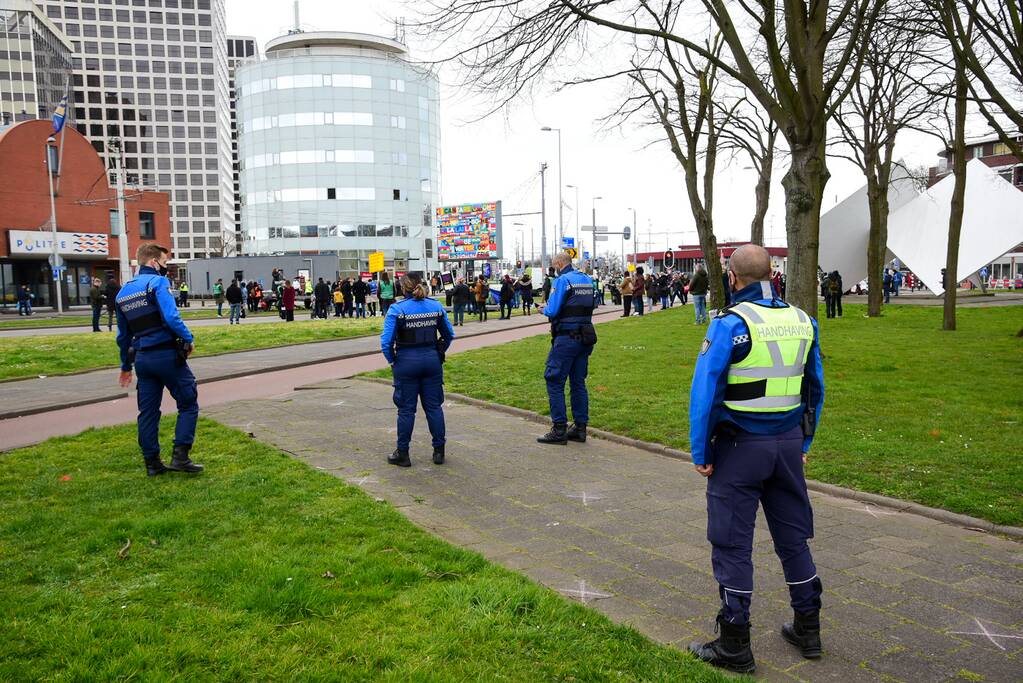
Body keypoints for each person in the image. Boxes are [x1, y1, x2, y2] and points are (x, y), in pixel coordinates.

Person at [687, 244, 824, 674]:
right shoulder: (803, 320)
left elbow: (705, 394)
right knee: (792, 539)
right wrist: (803, 443)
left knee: (731, 542)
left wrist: (701, 451)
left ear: (732, 278)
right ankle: (809, 627)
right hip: (786, 444)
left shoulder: (730, 325)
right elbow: (813, 388)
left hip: (739, 448)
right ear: (772, 273)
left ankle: (734, 642)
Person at [114, 243, 203, 477]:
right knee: (188, 402)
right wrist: (189, 338)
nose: (165, 268)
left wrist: (125, 366)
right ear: (154, 262)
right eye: (164, 263)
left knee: (148, 412)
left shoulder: (123, 293)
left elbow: (123, 337)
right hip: (166, 354)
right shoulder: (158, 283)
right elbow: (172, 317)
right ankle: (180, 456)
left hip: (142, 359)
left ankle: (152, 463)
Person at [380, 274, 455, 467]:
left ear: (403, 288)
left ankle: (403, 454)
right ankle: (439, 452)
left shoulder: (397, 310)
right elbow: (449, 335)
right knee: (434, 407)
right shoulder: (436, 306)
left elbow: (386, 342)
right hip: (431, 361)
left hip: (406, 362)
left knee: (406, 410)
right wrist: (438, 353)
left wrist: (392, 361)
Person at [537, 252, 597, 445]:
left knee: (554, 380)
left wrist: (542, 309)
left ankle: (559, 429)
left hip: (565, 338)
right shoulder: (587, 280)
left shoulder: (562, 280)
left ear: (559, 263)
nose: (554, 267)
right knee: (578, 382)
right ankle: (580, 428)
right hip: (585, 337)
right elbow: (592, 304)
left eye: (554, 264)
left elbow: (552, 310)